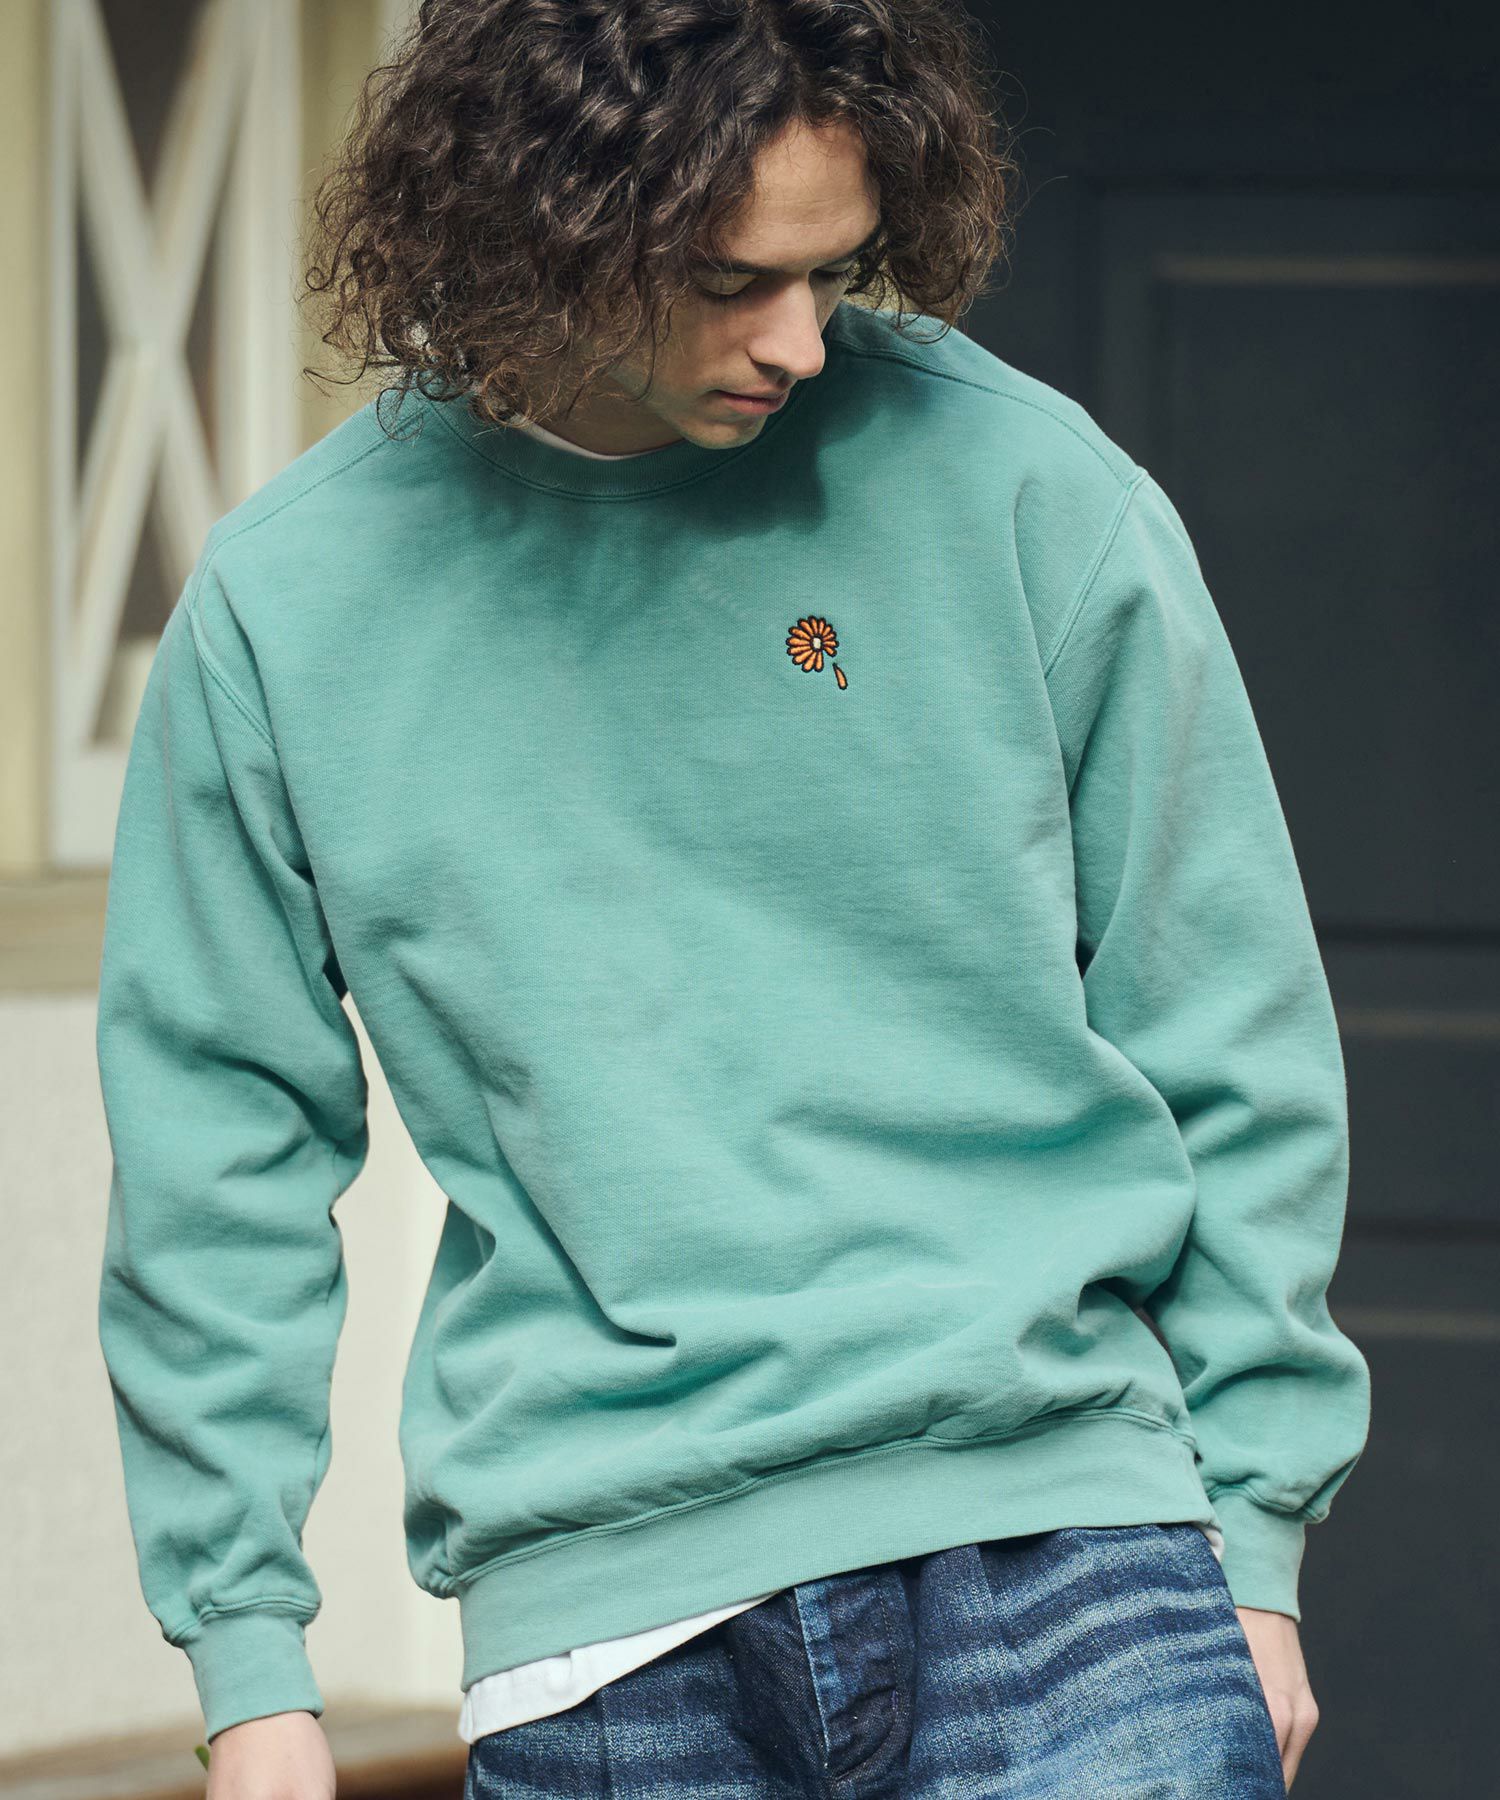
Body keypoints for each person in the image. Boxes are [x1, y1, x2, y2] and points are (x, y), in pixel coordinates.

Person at [94, 2, 1371, 1795]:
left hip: (1071, 1564)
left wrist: (1255, 1529)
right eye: (727, 280)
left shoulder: (1028, 488)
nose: (800, 343)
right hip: (609, 1632)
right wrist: (253, 1679)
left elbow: (1229, 1025)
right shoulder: (287, 606)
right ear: (540, 224)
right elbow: (215, 1162)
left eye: (834, 273)